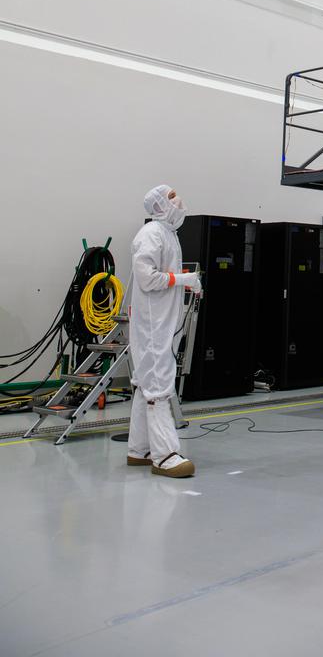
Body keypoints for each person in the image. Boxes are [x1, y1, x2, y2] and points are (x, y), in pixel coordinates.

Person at [127, 185, 201, 478]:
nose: (179, 200)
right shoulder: (151, 234)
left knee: (145, 383)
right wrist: (183, 279)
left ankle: (139, 449)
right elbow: (147, 278)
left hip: (162, 321)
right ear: (159, 205)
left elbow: (161, 275)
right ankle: (164, 455)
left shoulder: (168, 234)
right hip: (152, 324)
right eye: (172, 197)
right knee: (158, 384)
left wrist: (185, 281)